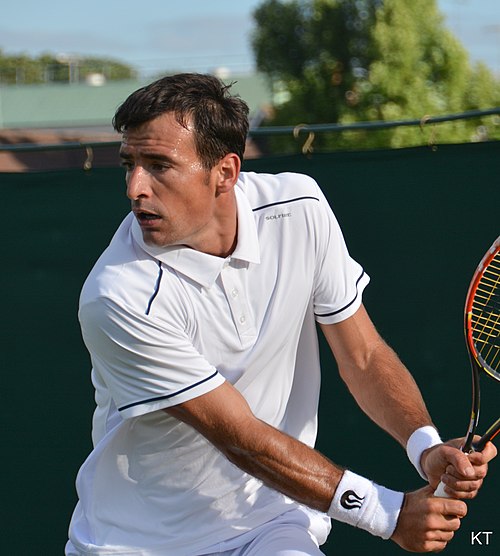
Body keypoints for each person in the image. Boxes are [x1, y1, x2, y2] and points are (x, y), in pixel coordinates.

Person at [66, 73, 496, 556]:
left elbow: (363, 355)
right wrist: (388, 513)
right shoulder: (118, 296)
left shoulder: (300, 209)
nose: (134, 187)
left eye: (158, 165)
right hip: (136, 544)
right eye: (129, 164)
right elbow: (240, 436)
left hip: (273, 523)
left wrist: (426, 448)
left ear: (225, 172)